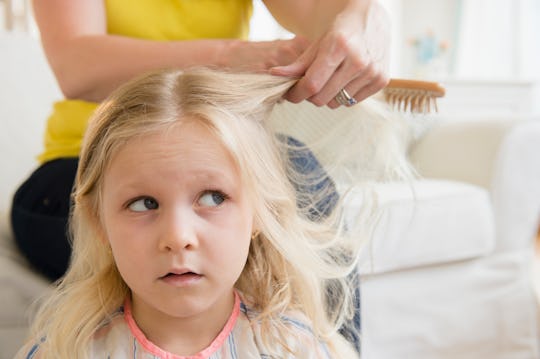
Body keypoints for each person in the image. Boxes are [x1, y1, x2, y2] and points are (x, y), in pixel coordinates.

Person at [11, 0, 390, 281]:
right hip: (79, 169)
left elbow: (322, 12)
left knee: (297, 169)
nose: (178, 238)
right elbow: (77, 64)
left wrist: (361, 18)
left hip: (212, 160)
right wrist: (227, 57)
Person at [16, 68, 365, 358]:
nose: (178, 237)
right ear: (99, 222)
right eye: (143, 204)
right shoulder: (67, 350)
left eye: (213, 198)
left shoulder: (295, 348)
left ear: (261, 212)